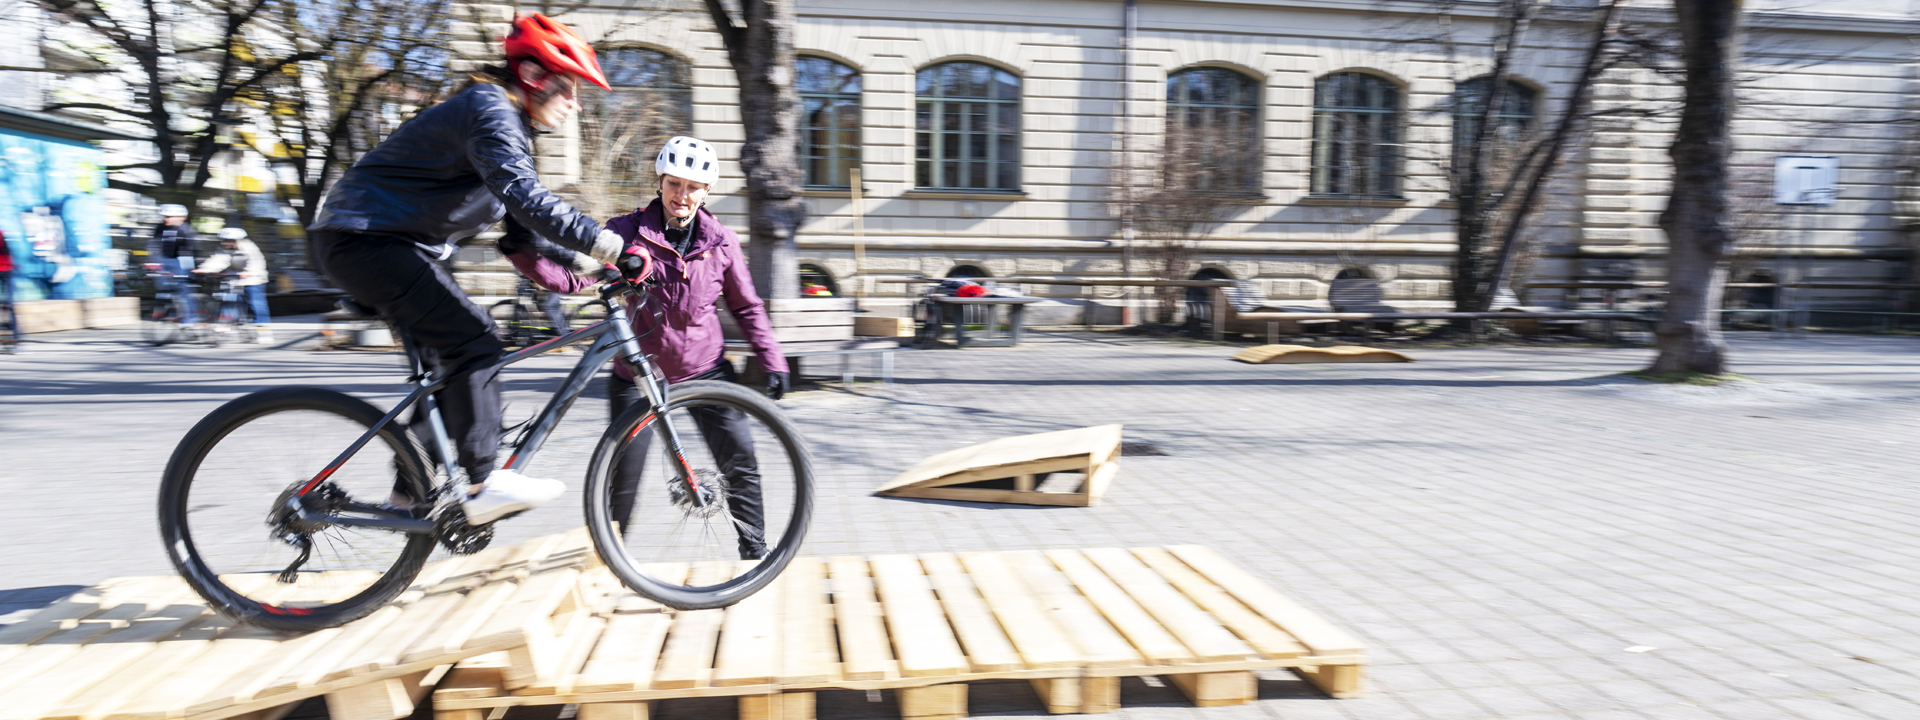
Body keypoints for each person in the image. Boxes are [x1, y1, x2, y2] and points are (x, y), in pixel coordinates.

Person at [308, 13, 625, 525]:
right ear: (533, 78)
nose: (575, 102)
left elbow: (524, 237)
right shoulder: (490, 110)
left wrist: (593, 273)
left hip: (386, 245)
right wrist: (607, 243)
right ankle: (484, 480)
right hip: (365, 240)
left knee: (449, 370)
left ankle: (406, 499)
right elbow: (526, 198)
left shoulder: (508, 128)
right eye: (568, 88)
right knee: (475, 340)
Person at [501, 135, 789, 559]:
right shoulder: (627, 230)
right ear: (661, 182)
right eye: (675, 184)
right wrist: (524, 254)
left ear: (706, 192)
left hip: (705, 370)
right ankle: (610, 562)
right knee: (624, 476)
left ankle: (755, 554)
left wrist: (771, 359)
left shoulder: (722, 241)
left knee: (740, 461)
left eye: (693, 187)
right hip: (640, 374)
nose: (682, 195)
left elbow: (746, 306)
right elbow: (574, 280)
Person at [193, 227, 273, 344]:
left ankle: (264, 330)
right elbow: (218, 260)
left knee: (256, 304)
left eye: (228, 240)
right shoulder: (224, 249)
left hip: (254, 279)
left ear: (237, 240)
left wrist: (250, 272)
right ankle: (226, 324)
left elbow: (256, 262)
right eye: (223, 240)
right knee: (228, 300)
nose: (224, 242)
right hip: (234, 279)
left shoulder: (250, 248)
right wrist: (204, 269)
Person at [145, 204, 199, 323]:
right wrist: (153, 261)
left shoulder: (186, 230)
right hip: (164, 259)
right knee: (164, 288)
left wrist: (188, 271)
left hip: (182, 260)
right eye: (165, 216)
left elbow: (190, 250)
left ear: (181, 217)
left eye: (169, 216)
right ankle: (171, 312)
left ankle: (190, 317)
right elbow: (154, 244)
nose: (166, 219)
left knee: (182, 289)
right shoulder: (160, 228)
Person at [0, 229, 18, 351]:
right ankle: (14, 340)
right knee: (9, 306)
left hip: (5, 270)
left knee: (9, 306)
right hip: (6, 269)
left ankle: (14, 340)